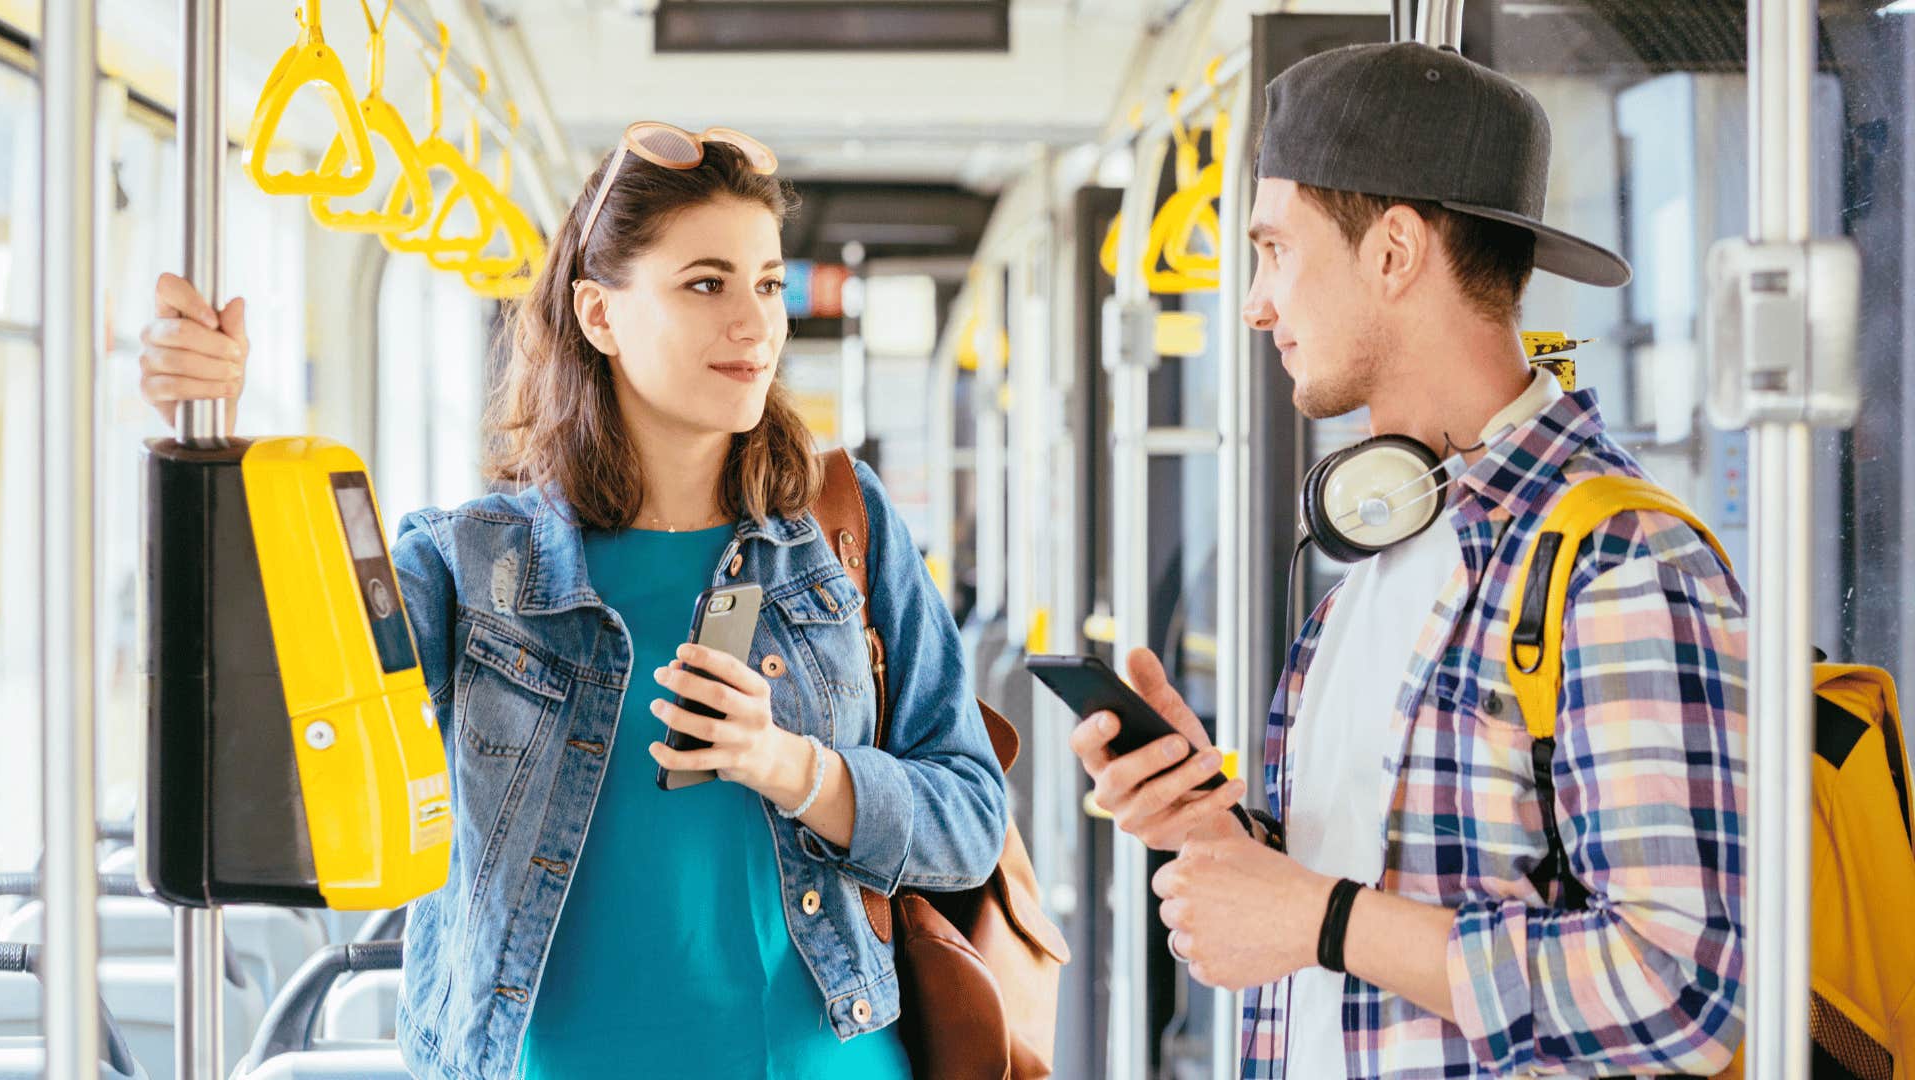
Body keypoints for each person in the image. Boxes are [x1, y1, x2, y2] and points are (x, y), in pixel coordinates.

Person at [137, 123, 1007, 1079]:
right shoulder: (471, 566)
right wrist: (216, 441)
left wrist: (793, 766)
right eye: (706, 284)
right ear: (599, 315)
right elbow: (275, 690)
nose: (756, 324)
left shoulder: (843, 531)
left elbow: (969, 821)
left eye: (766, 283)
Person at [1069, 43, 1746, 1077]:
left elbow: (1682, 987)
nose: (1256, 304)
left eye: (1275, 251)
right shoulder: (1390, 546)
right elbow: (1384, 883)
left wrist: (1323, 921)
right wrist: (1217, 827)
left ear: (1392, 252)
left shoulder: (1618, 563)